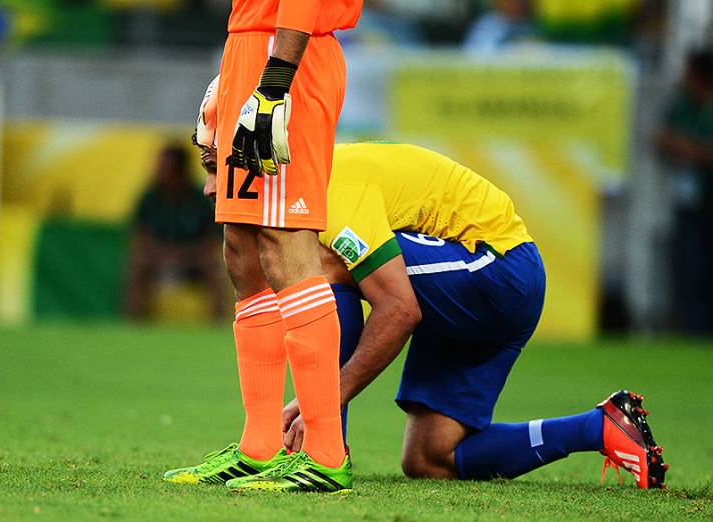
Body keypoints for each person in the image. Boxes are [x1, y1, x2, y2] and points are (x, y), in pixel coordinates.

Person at [193, 136, 669, 490]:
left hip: (499, 268)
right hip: (477, 296)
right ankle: (599, 426)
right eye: (206, 169)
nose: (212, 188)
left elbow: (399, 309)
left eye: (219, 170)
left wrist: (326, 398)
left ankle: (324, 452)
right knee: (429, 458)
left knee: (326, 265)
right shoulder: (312, 184)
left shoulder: (330, 189)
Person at [164, 0, 364, 493]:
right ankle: (259, 447)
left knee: (284, 241)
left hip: (288, 56)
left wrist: (274, 79)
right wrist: (233, 70)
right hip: (250, 51)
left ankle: (325, 454)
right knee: (243, 248)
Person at [126, 144, 228, 322]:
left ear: (180, 170)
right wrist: (162, 254)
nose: (157, 171)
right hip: (157, 259)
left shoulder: (200, 198)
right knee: (137, 265)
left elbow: (211, 239)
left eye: (164, 167)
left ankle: (217, 324)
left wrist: (185, 255)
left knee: (213, 267)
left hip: (192, 260)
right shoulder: (149, 198)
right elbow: (139, 238)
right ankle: (135, 324)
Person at [656, 50, 713, 334]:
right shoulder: (683, 105)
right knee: (690, 270)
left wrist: (692, 150)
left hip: (708, 199)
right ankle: (694, 332)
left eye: (687, 72)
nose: (682, 78)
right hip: (689, 202)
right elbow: (661, 138)